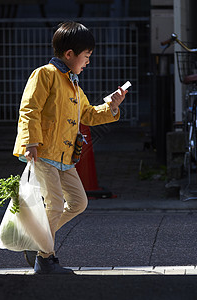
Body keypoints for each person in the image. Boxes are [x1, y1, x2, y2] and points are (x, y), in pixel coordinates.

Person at [13, 21, 128, 273]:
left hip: (64, 157)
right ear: (69, 55)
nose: (88, 62)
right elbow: (29, 109)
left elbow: (87, 114)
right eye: (86, 56)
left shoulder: (73, 83)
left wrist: (113, 106)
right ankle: (45, 258)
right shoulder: (45, 74)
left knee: (78, 202)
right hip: (43, 152)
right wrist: (30, 142)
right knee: (54, 204)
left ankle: (36, 239)